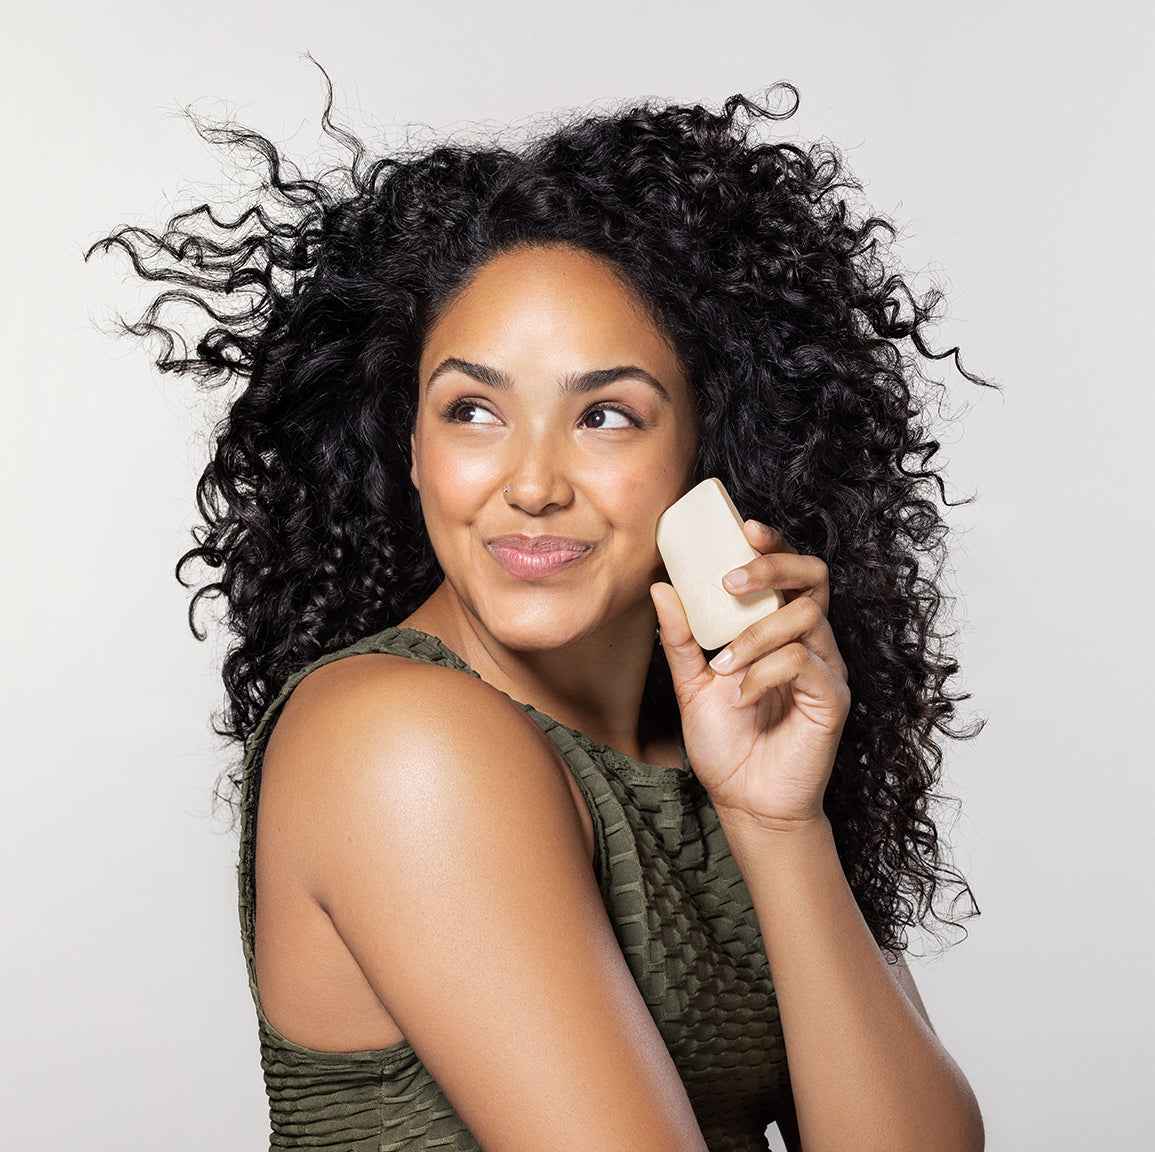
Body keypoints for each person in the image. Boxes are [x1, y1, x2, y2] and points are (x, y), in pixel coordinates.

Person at [90, 78, 987, 1151]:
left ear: (708, 452)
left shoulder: (724, 733)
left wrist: (778, 825)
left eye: (606, 415)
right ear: (410, 449)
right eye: (473, 411)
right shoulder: (403, 742)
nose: (531, 483)